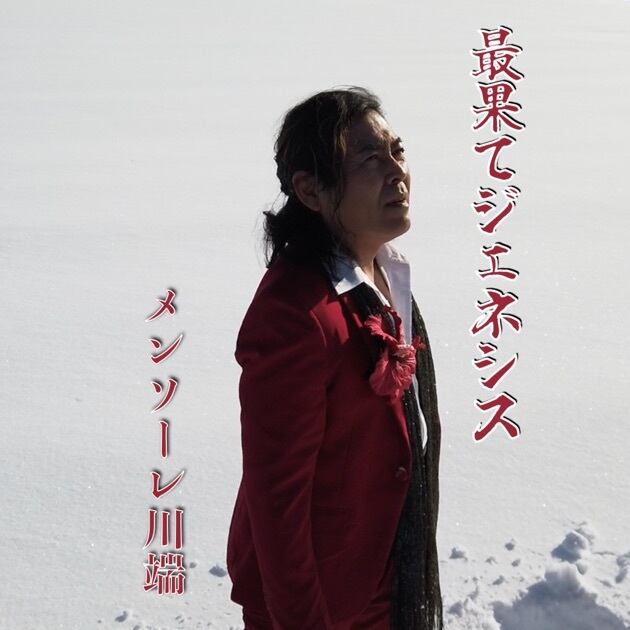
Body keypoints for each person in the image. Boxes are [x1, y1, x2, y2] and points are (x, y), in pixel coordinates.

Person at [226, 86, 443, 630]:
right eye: (369, 159)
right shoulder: (295, 316)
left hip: (386, 580)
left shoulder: (386, 272)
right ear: (311, 190)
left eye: (397, 150)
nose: (396, 171)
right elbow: (277, 502)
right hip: (322, 602)